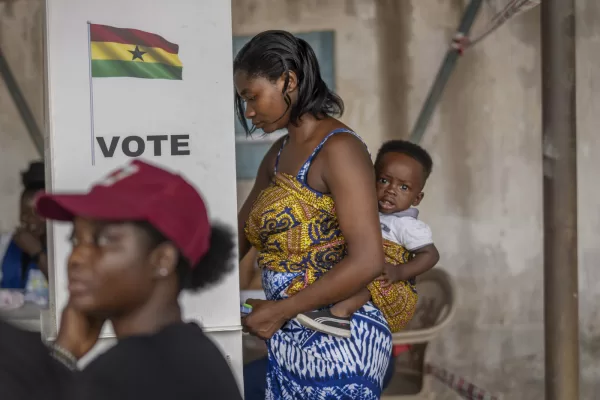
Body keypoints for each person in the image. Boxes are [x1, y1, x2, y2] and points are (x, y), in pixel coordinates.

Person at [235, 30, 395, 399]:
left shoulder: (339, 149)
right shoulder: (278, 153)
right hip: (289, 337)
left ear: (288, 80)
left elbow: (368, 260)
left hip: (339, 339)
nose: (249, 112)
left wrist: (280, 310)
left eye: (252, 96)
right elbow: (239, 234)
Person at [0, 159, 242, 400]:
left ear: (163, 260)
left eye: (105, 240)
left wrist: (63, 355)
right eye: (75, 241)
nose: (77, 257)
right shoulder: (193, 352)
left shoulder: (123, 376)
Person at [296, 140, 440, 337]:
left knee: (369, 269)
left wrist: (399, 272)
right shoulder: (365, 211)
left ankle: (340, 313)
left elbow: (430, 255)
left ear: (417, 199)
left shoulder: (408, 225)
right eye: (384, 180)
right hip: (362, 273)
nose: (391, 190)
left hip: (393, 289)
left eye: (404, 187)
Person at [0, 161, 49, 298]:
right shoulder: (4, 245)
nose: (29, 221)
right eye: (24, 214)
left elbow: (63, 290)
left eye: (36, 214)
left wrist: (37, 253)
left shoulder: (62, 248)